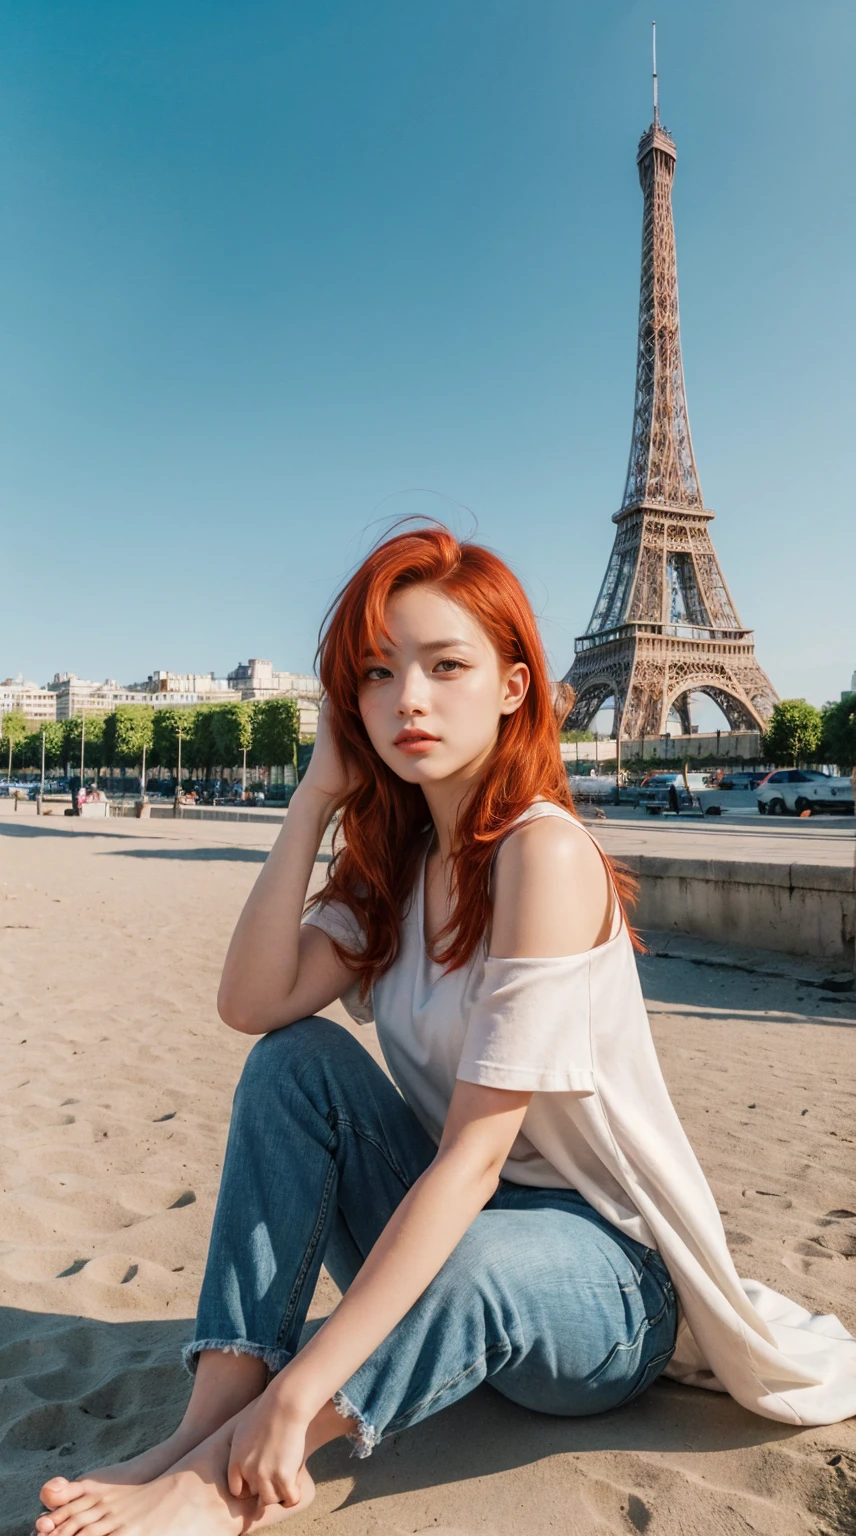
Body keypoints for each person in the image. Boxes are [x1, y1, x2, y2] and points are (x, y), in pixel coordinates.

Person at [35, 528, 856, 1536]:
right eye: (377, 675)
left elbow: (474, 1158)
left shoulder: (542, 856)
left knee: (478, 1246)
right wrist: (312, 799)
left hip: (600, 1284)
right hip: (454, 1231)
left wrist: (306, 1397)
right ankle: (203, 1428)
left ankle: (226, 1482)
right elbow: (252, 1008)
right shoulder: (396, 863)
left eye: (445, 665)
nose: (408, 699)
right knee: (293, 1061)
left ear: (516, 687)